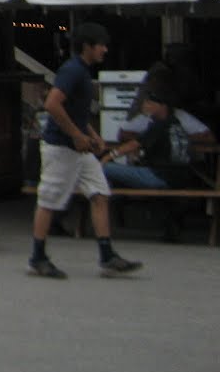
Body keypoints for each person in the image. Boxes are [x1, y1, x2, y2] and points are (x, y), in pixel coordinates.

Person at [28, 22, 141, 279]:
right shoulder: (72, 71)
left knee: (100, 193)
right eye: (100, 44)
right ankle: (37, 256)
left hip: (79, 148)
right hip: (61, 148)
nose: (105, 49)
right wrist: (78, 135)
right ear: (87, 46)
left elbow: (75, 112)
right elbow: (53, 104)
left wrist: (92, 135)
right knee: (49, 200)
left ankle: (107, 254)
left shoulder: (81, 72)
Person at [102, 85, 215, 240]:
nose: (144, 106)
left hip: (159, 177)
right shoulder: (177, 123)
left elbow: (134, 144)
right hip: (179, 178)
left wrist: (109, 156)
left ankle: (100, 213)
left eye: (149, 103)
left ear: (162, 106)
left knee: (103, 168)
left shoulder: (159, 125)